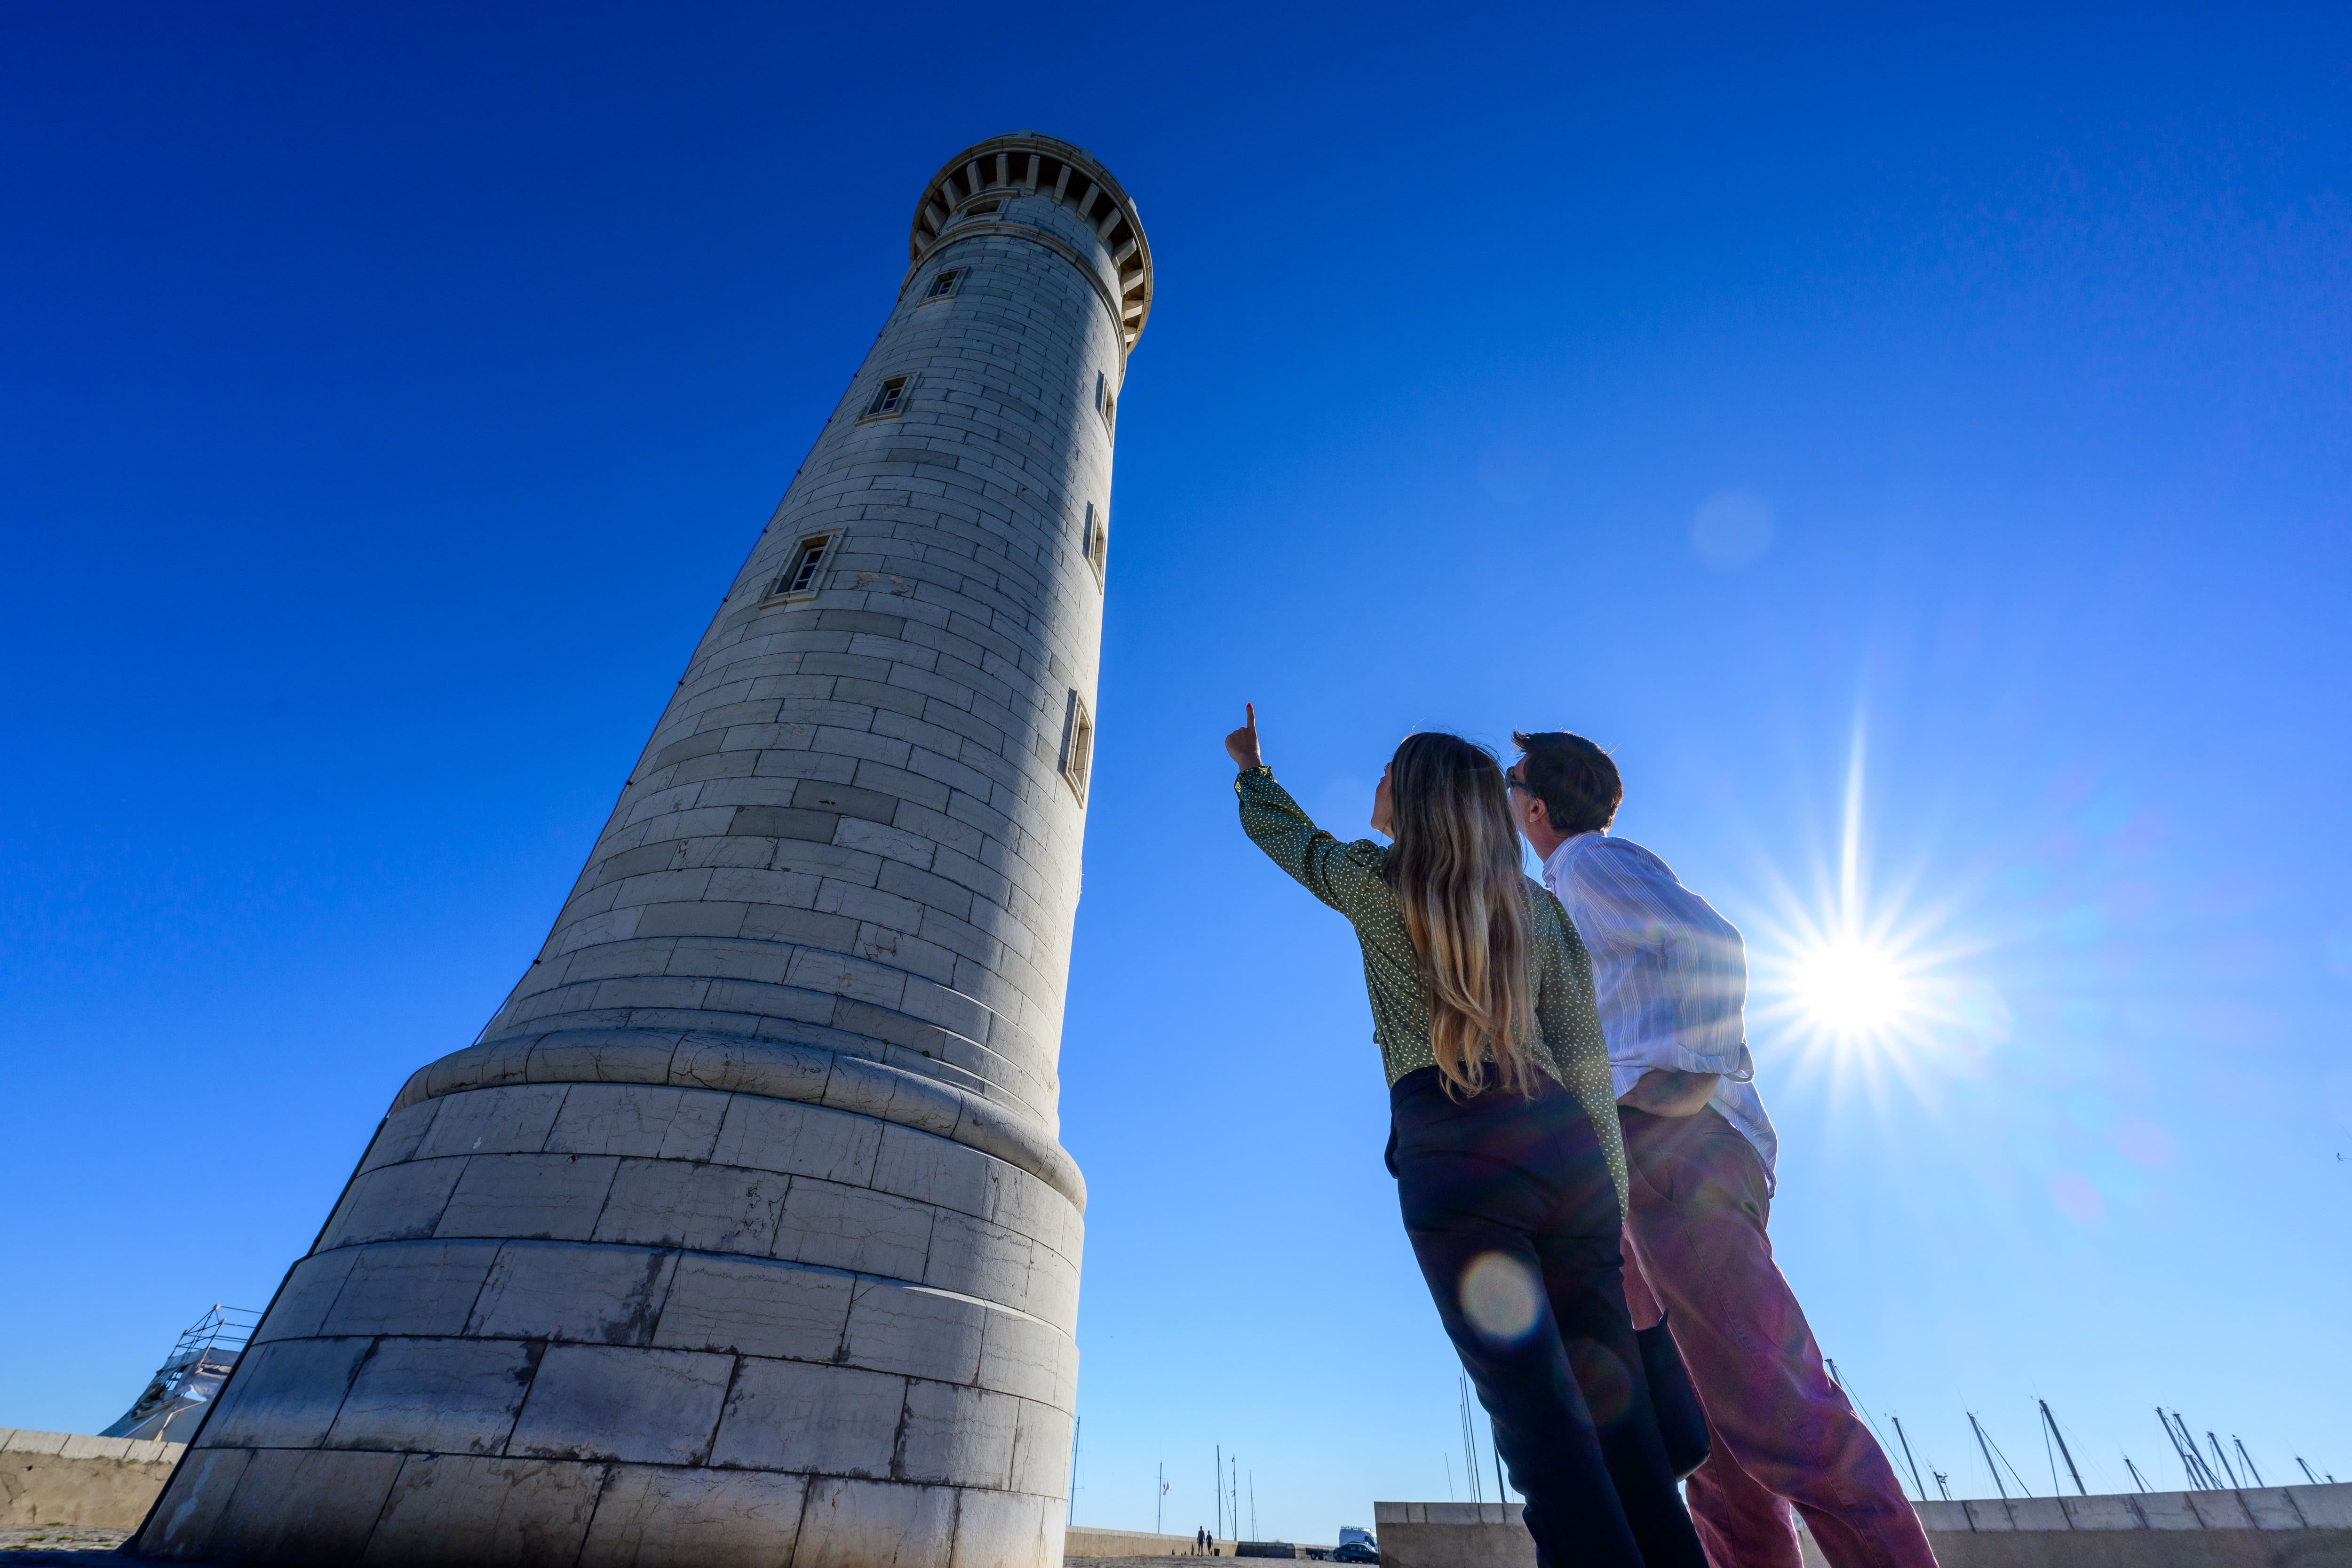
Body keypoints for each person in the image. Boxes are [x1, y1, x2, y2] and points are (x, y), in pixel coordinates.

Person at [1226, 705, 1707, 1568]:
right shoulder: (1539, 910)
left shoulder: (1376, 882)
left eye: (1385, 774)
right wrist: (1611, 1204)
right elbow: (1587, 1062)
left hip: (1457, 1153)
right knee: (1623, 1430)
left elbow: (1290, 843)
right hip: (1571, 1156)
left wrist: (1254, 773)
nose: (1372, 784)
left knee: (1544, 1430)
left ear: (1410, 798)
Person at [1505, 731, 1937, 1568]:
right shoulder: (1564, 887)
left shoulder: (1589, 866)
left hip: (1675, 1148)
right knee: (1715, 1447)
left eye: (1510, 778)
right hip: (1642, 1163)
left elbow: (1712, 945)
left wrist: (1685, 1083)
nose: (1504, 793)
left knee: (1776, 1407)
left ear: (1537, 805)